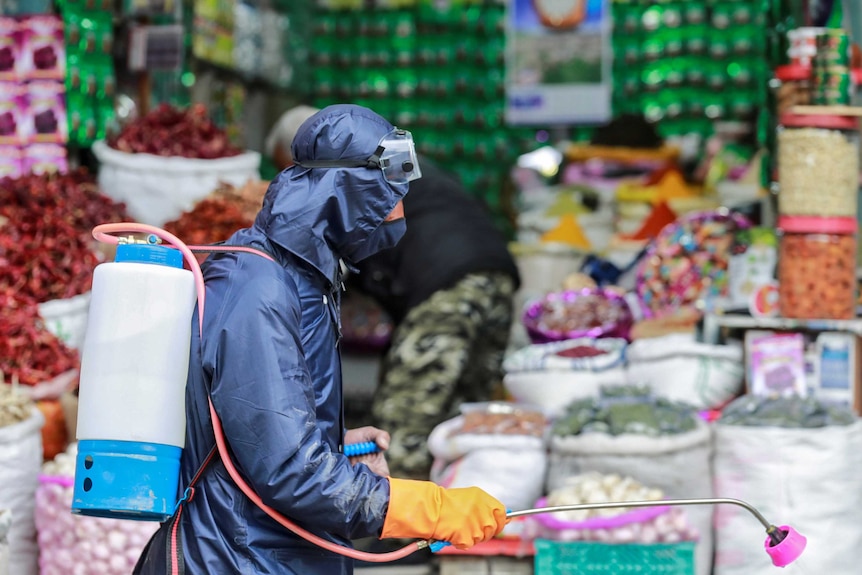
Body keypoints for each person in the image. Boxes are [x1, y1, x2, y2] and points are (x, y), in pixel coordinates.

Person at [133, 104, 508, 575]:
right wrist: (426, 508)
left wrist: (336, 442)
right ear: (345, 192)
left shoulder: (306, 278)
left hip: (278, 554)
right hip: (235, 557)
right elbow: (289, 469)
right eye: (389, 196)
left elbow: (259, 428)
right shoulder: (257, 288)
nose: (399, 213)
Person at [268, 105, 521, 481]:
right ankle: (456, 516)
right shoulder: (390, 161)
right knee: (463, 416)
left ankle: (391, 531)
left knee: (405, 423)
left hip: (447, 287)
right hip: (495, 276)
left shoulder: (351, 175)